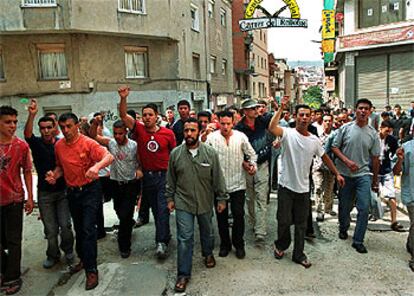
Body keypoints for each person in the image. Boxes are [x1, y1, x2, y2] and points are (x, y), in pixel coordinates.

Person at [268, 98, 344, 268]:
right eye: (301, 115)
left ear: (311, 118)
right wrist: (280, 108)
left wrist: (337, 174)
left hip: (303, 189)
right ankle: (281, 245)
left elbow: (325, 157)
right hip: (286, 186)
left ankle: (299, 254)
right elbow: (272, 128)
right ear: (295, 117)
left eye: (307, 115)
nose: (304, 118)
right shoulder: (287, 133)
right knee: (284, 221)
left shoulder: (314, 140)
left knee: (301, 225)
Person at [45, 112, 114, 290]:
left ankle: (92, 271)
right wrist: (54, 175)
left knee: (88, 229)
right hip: (73, 192)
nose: (66, 130)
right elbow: (60, 167)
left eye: (69, 126)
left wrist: (96, 167)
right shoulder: (59, 146)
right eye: (62, 127)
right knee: (79, 229)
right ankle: (84, 259)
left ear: (77, 125)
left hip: (90, 190)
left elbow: (108, 157)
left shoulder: (88, 142)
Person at [165, 118, 228, 293]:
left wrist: (221, 199)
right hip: (183, 202)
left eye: (193, 130)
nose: (189, 134)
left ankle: (207, 253)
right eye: (186, 131)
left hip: (205, 201)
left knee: (207, 232)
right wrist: (170, 199)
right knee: (184, 238)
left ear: (199, 132)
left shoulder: (210, 154)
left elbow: (218, 179)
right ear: (183, 133)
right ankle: (183, 274)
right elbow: (170, 179)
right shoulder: (176, 154)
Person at [118, 86, 176, 259]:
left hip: (163, 177)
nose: (147, 117)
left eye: (150, 114)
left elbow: (174, 156)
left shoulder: (168, 134)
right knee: (155, 211)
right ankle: (165, 236)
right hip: (147, 178)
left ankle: (161, 243)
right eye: (145, 115)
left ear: (157, 116)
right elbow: (123, 116)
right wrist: (123, 98)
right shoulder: (140, 130)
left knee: (163, 209)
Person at [23, 99, 74, 269]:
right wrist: (32, 114)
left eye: (49, 127)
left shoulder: (61, 144)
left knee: (66, 226)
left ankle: (68, 251)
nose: (46, 131)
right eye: (42, 128)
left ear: (54, 128)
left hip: (63, 192)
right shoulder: (36, 144)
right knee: (50, 230)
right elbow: (27, 135)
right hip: (44, 194)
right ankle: (53, 255)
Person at [332, 98, 380, 254]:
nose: (363, 111)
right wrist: (346, 161)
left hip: (363, 174)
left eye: (366, 108)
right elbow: (334, 147)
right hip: (345, 175)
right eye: (360, 108)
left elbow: (375, 158)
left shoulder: (373, 134)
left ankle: (358, 240)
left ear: (370, 111)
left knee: (364, 207)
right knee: (345, 206)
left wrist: (375, 181)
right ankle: (343, 227)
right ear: (355, 110)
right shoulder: (345, 128)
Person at [206, 111, 257, 259]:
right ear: (218, 122)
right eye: (223, 123)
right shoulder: (211, 138)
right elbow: (203, 154)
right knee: (221, 217)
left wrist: (251, 165)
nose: (225, 127)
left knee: (238, 215)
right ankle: (225, 244)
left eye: (228, 123)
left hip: (238, 184)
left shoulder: (240, 137)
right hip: (219, 186)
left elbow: (252, 154)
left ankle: (239, 244)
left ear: (233, 123)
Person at [90, 118, 143, 258]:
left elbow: (140, 161)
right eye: (115, 133)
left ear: (126, 132)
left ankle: (124, 245)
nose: (118, 136)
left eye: (120, 133)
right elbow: (94, 136)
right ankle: (127, 225)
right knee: (119, 211)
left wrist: (139, 169)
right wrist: (95, 124)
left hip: (130, 184)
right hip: (114, 183)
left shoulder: (134, 146)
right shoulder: (111, 143)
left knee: (125, 216)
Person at [0, 106, 34, 295]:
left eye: (14, 122)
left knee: (14, 241)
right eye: (7, 122)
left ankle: (12, 276)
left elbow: (28, 171)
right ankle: (3, 269)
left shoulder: (21, 146)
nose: (12, 126)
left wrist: (30, 197)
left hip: (14, 200)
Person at [235, 99, 274, 244]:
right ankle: (253, 222)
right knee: (250, 198)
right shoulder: (238, 129)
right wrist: (244, 163)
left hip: (262, 164)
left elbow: (275, 119)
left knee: (261, 197)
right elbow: (237, 149)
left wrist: (280, 107)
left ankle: (260, 231)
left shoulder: (262, 121)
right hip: (247, 166)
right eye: (252, 109)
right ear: (245, 111)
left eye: (256, 108)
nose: (256, 110)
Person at [375, 120, 403, 231]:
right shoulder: (373, 138)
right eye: (386, 131)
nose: (387, 133)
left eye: (389, 132)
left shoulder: (392, 140)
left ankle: (394, 221)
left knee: (392, 195)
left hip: (386, 170)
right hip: (372, 170)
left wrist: (399, 155)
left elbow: (396, 152)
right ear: (381, 128)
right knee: (370, 197)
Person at [393, 139, 414, 271]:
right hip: (412, 193)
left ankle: (411, 243)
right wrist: (400, 159)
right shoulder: (406, 148)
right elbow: (396, 171)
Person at [313, 114, 336, 222]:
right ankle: (319, 211)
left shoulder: (336, 135)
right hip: (318, 166)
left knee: (329, 189)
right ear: (322, 122)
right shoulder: (317, 135)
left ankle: (328, 207)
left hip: (331, 167)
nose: (327, 123)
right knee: (318, 188)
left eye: (329, 121)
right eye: (325, 121)